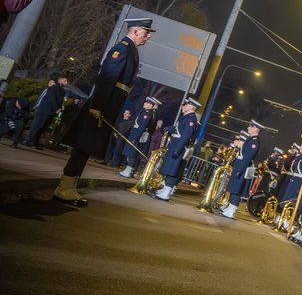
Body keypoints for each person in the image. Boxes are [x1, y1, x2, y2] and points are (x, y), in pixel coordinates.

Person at [55, 18, 153, 206]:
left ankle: (69, 186)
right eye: (146, 32)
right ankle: (64, 188)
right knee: (84, 145)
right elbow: (107, 78)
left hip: (109, 105)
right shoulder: (123, 49)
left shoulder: (130, 50)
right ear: (135, 32)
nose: (148, 36)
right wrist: (97, 106)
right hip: (102, 105)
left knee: (86, 147)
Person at [151, 97, 202, 201]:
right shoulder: (186, 118)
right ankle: (164, 190)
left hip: (178, 148)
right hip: (175, 145)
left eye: (186, 105)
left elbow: (185, 136)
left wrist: (177, 150)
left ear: (192, 107)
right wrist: (169, 129)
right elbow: (178, 130)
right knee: (170, 170)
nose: (183, 106)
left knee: (173, 171)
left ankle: (166, 193)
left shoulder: (191, 119)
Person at [220, 119, 261, 217]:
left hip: (242, 168)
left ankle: (231, 211)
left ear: (256, 129)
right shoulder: (250, 140)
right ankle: (229, 207)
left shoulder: (254, 142)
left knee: (237, 190)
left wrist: (240, 170)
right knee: (234, 188)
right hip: (239, 166)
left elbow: (247, 158)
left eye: (250, 126)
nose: (248, 128)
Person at [23, 75, 68, 149]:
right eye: (65, 81)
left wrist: (58, 109)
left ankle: (34, 142)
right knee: (37, 126)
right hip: (43, 111)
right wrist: (57, 108)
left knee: (43, 128)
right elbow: (51, 98)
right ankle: (28, 141)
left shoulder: (62, 90)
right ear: (59, 80)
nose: (66, 83)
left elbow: (59, 101)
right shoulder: (53, 88)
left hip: (51, 113)